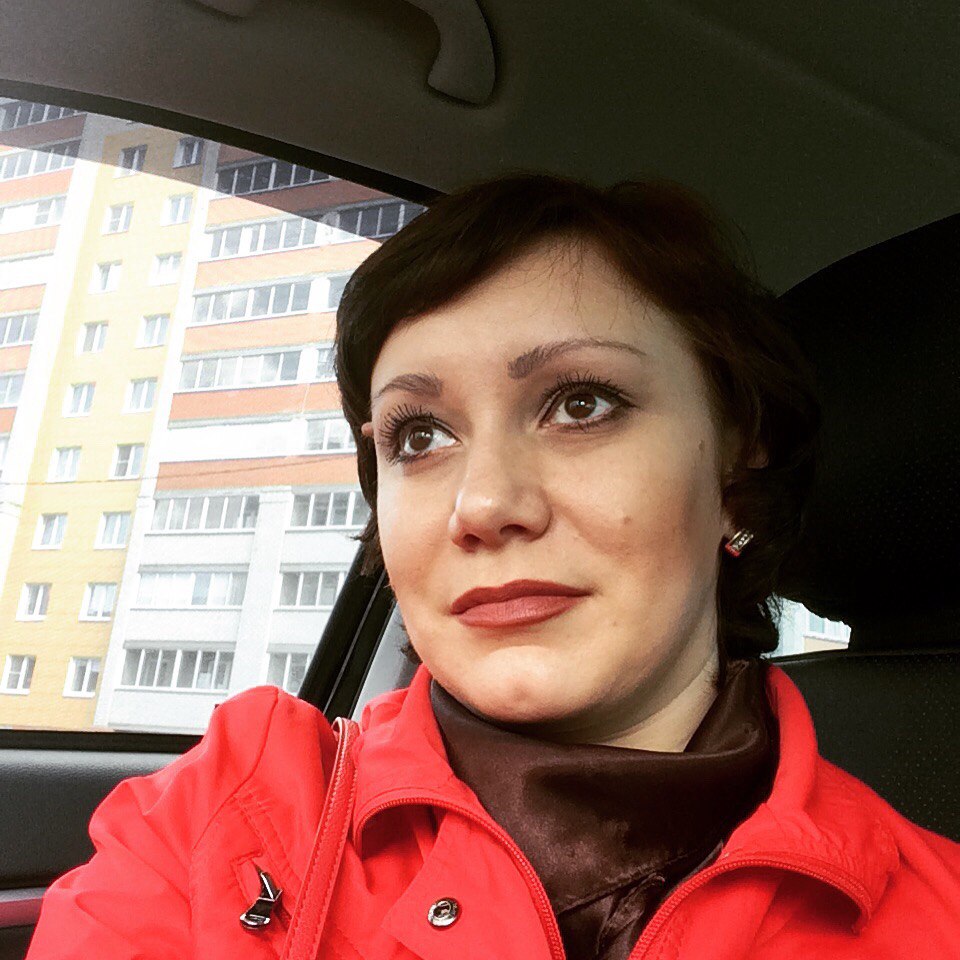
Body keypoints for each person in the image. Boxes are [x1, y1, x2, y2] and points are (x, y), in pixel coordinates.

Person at [26, 174, 960, 960]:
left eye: (581, 404)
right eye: (419, 436)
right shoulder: (217, 820)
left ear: (733, 466)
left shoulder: (936, 913)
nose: (480, 505)